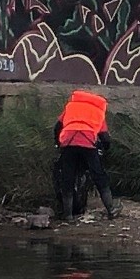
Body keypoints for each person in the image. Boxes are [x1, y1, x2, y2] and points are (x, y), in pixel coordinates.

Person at [54, 90, 123, 221]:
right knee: (99, 175)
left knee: (67, 177)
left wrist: (58, 144)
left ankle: (68, 215)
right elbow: (105, 137)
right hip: (88, 143)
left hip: (68, 142)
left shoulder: (71, 106)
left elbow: (57, 127)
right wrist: (105, 148)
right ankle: (111, 210)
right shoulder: (97, 111)